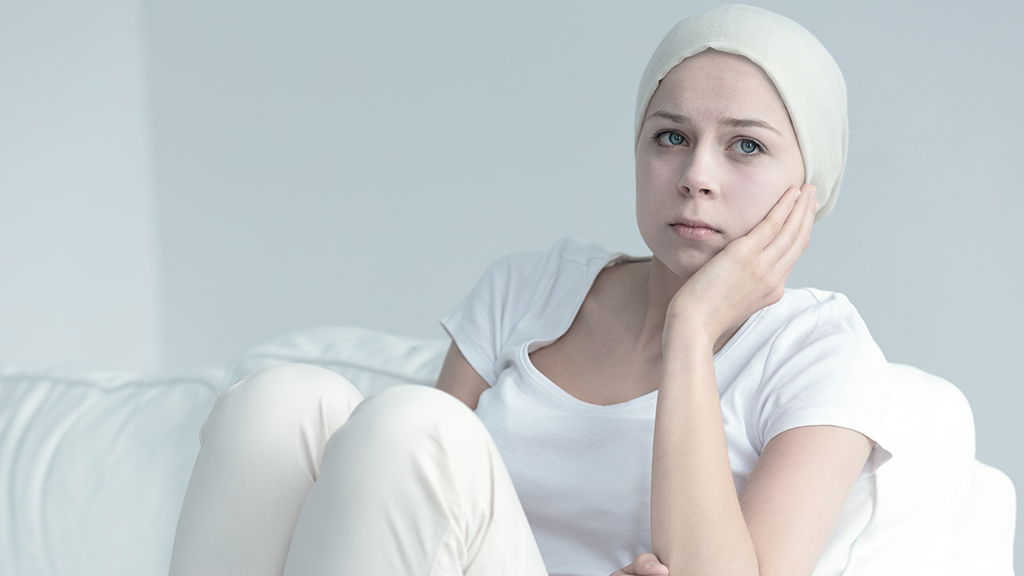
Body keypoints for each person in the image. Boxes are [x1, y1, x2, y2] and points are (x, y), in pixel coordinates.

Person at [168, 4, 894, 576]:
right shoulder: (531, 287)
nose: (696, 174)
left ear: (810, 188)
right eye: (670, 136)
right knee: (280, 401)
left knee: (415, 427)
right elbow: (397, 500)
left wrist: (692, 332)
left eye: (746, 145)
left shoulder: (821, 351)